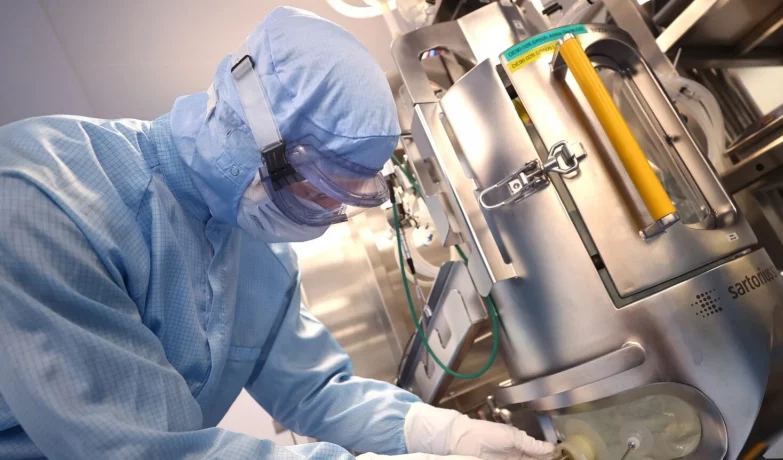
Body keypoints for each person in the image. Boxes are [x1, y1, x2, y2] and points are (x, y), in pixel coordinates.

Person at [0, 7, 555, 460]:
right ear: (256, 139)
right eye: (321, 190)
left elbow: (315, 390)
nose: (326, 213)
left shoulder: (261, 253)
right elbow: (140, 449)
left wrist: (441, 432)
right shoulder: (42, 194)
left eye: (345, 200)